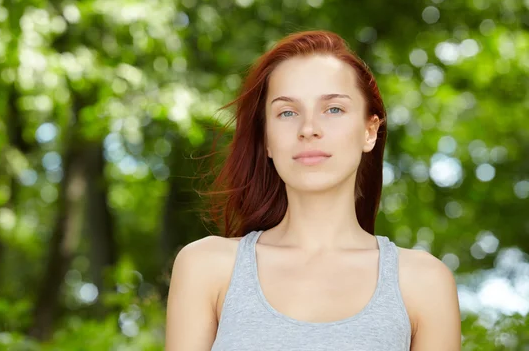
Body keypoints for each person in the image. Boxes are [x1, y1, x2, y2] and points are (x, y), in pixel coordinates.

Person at [164, 30, 461, 350]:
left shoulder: (425, 283)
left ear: (369, 130)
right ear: (266, 139)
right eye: (287, 112)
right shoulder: (205, 267)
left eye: (333, 109)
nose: (308, 129)